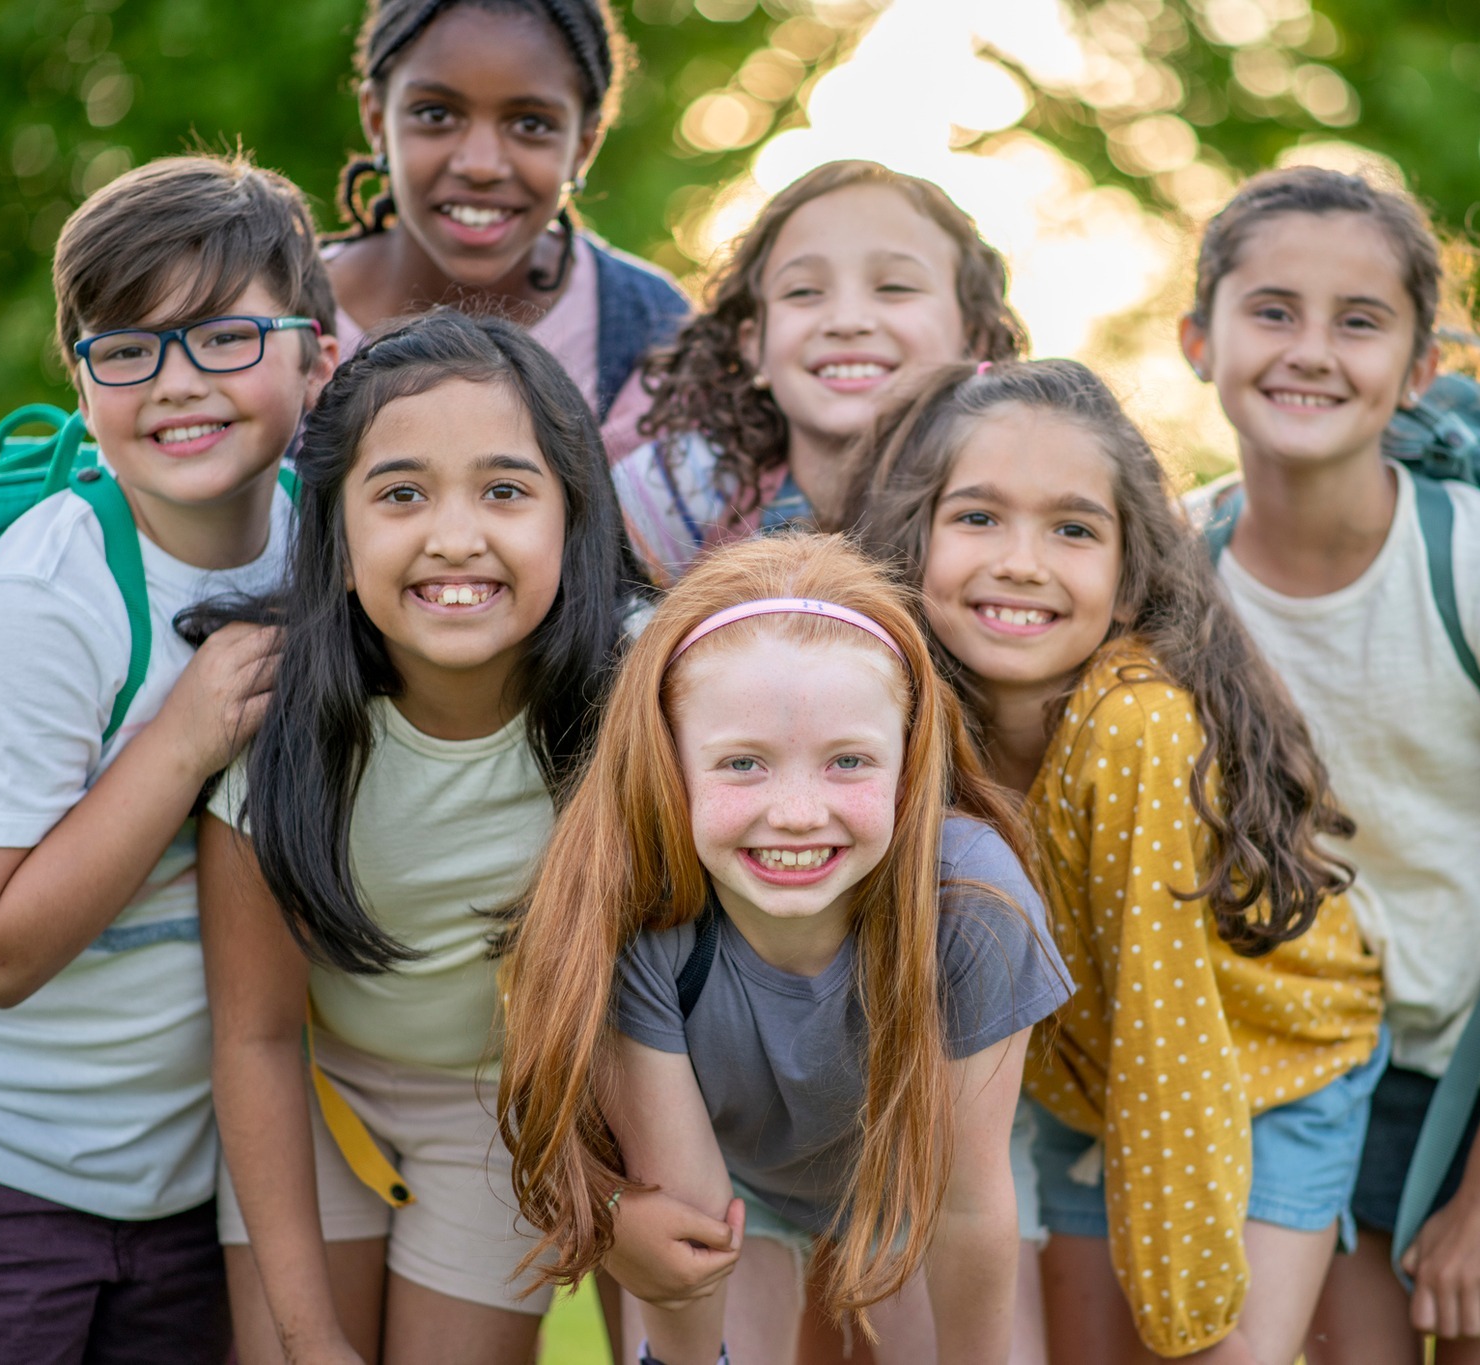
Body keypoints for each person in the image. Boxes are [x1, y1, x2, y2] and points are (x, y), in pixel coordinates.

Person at [0, 153, 338, 1361]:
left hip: (173, 1183)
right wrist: (185, 734)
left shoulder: (332, 542)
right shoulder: (52, 597)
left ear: (315, 355)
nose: (176, 382)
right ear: (84, 381)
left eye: (224, 336)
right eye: (128, 348)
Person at [1178, 167, 1480, 1362]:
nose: (1310, 352)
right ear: (1199, 340)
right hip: (1330, 1049)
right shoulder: (1175, 565)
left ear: (1417, 368)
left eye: (1358, 322)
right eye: (1271, 310)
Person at [852, 358, 1387, 1364]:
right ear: (912, 540)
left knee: (1210, 1350)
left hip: (1266, 1063)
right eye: (977, 518)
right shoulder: (914, 713)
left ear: (1131, 567)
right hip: (1089, 1080)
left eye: (1070, 528)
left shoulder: (1136, 728)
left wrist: (1188, 1319)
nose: (1020, 561)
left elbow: (1165, 1024)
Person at [195, 309, 653, 1364]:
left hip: (503, 1108)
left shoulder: (638, 690)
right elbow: (256, 1037)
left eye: (503, 490)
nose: (454, 536)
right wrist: (308, 1339)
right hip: (313, 1090)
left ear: (571, 515)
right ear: (336, 527)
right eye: (400, 494)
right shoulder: (272, 715)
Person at [499, 534, 1074, 1365]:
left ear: (911, 762)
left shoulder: (971, 905)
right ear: (670, 764)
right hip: (738, 1189)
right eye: (743, 764)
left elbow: (966, 1207)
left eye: (849, 761)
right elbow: (691, 1226)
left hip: (915, 1172)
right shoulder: (641, 911)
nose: (799, 812)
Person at [613, 160, 1027, 586]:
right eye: (804, 291)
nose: (846, 320)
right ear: (754, 346)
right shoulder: (678, 493)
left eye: (895, 287)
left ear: (973, 338)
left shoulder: (1028, 506)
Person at [324, 0, 687, 457]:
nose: (480, 165)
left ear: (583, 146)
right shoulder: (276, 313)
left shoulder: (651, 329)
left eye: (530, 124)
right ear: (377, 121)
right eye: (436, 115)